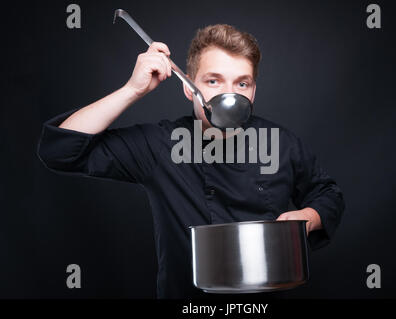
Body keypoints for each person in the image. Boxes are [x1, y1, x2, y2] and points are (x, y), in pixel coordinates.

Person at [37, 24, 345, 298]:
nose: (230, 94)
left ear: (253, 91)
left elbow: (327, 193)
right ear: (189, 87)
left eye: (242, 83)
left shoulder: (280, 142)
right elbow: (60, 151)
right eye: (213, 81)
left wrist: (308, 216)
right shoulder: (159, 145)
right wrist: (132, 90)